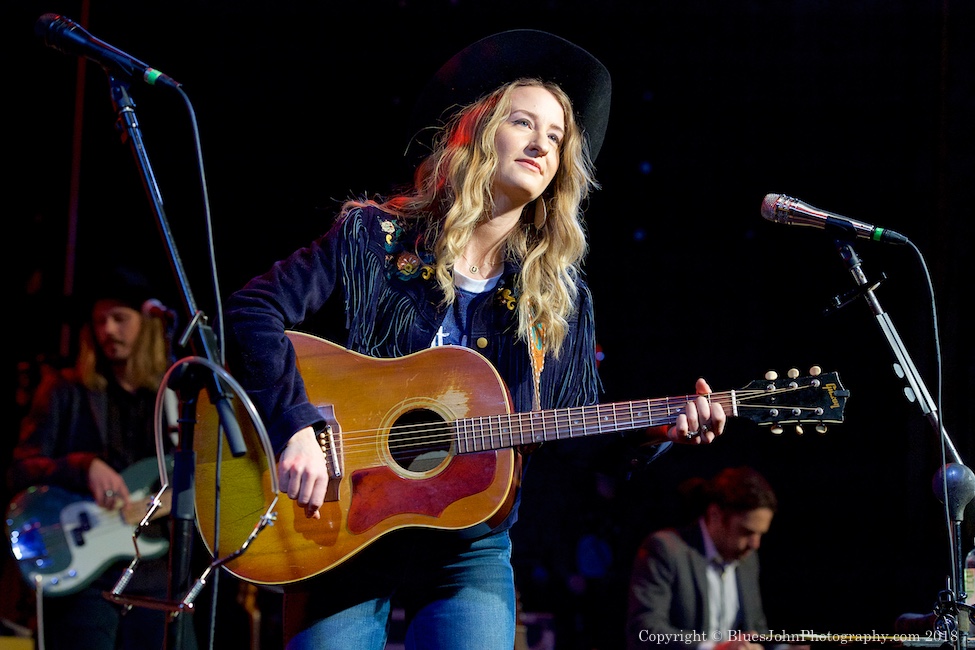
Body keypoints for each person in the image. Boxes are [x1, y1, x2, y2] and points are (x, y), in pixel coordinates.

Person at [222, 29, 727, 650]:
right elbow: (253, 311)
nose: (542, 144)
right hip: (341, 519)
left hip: (468, 544)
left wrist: (659, 430)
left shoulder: (559, 296)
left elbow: (575, 435)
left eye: (556, 136)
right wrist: (294, 423)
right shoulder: (373, 238)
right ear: (481, 131)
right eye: (524, 122)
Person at [7, 265, 186, 650]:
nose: (108, 330)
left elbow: (201, 479)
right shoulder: (65, 391)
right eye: (100, 321)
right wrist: (82, 465)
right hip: (86, 582)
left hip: (158, 582)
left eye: (120, 319)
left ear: (149, 324)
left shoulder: (175, 399)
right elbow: (20, 468)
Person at [625, 466, 782, 650]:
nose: (755, 544)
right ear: (715, 515)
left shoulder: (748, 559)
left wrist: (783, 648)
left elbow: (756, 631)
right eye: (746, 532)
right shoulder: (665, 549)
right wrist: (714, 649)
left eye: (760, 534)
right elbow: (644, 632)